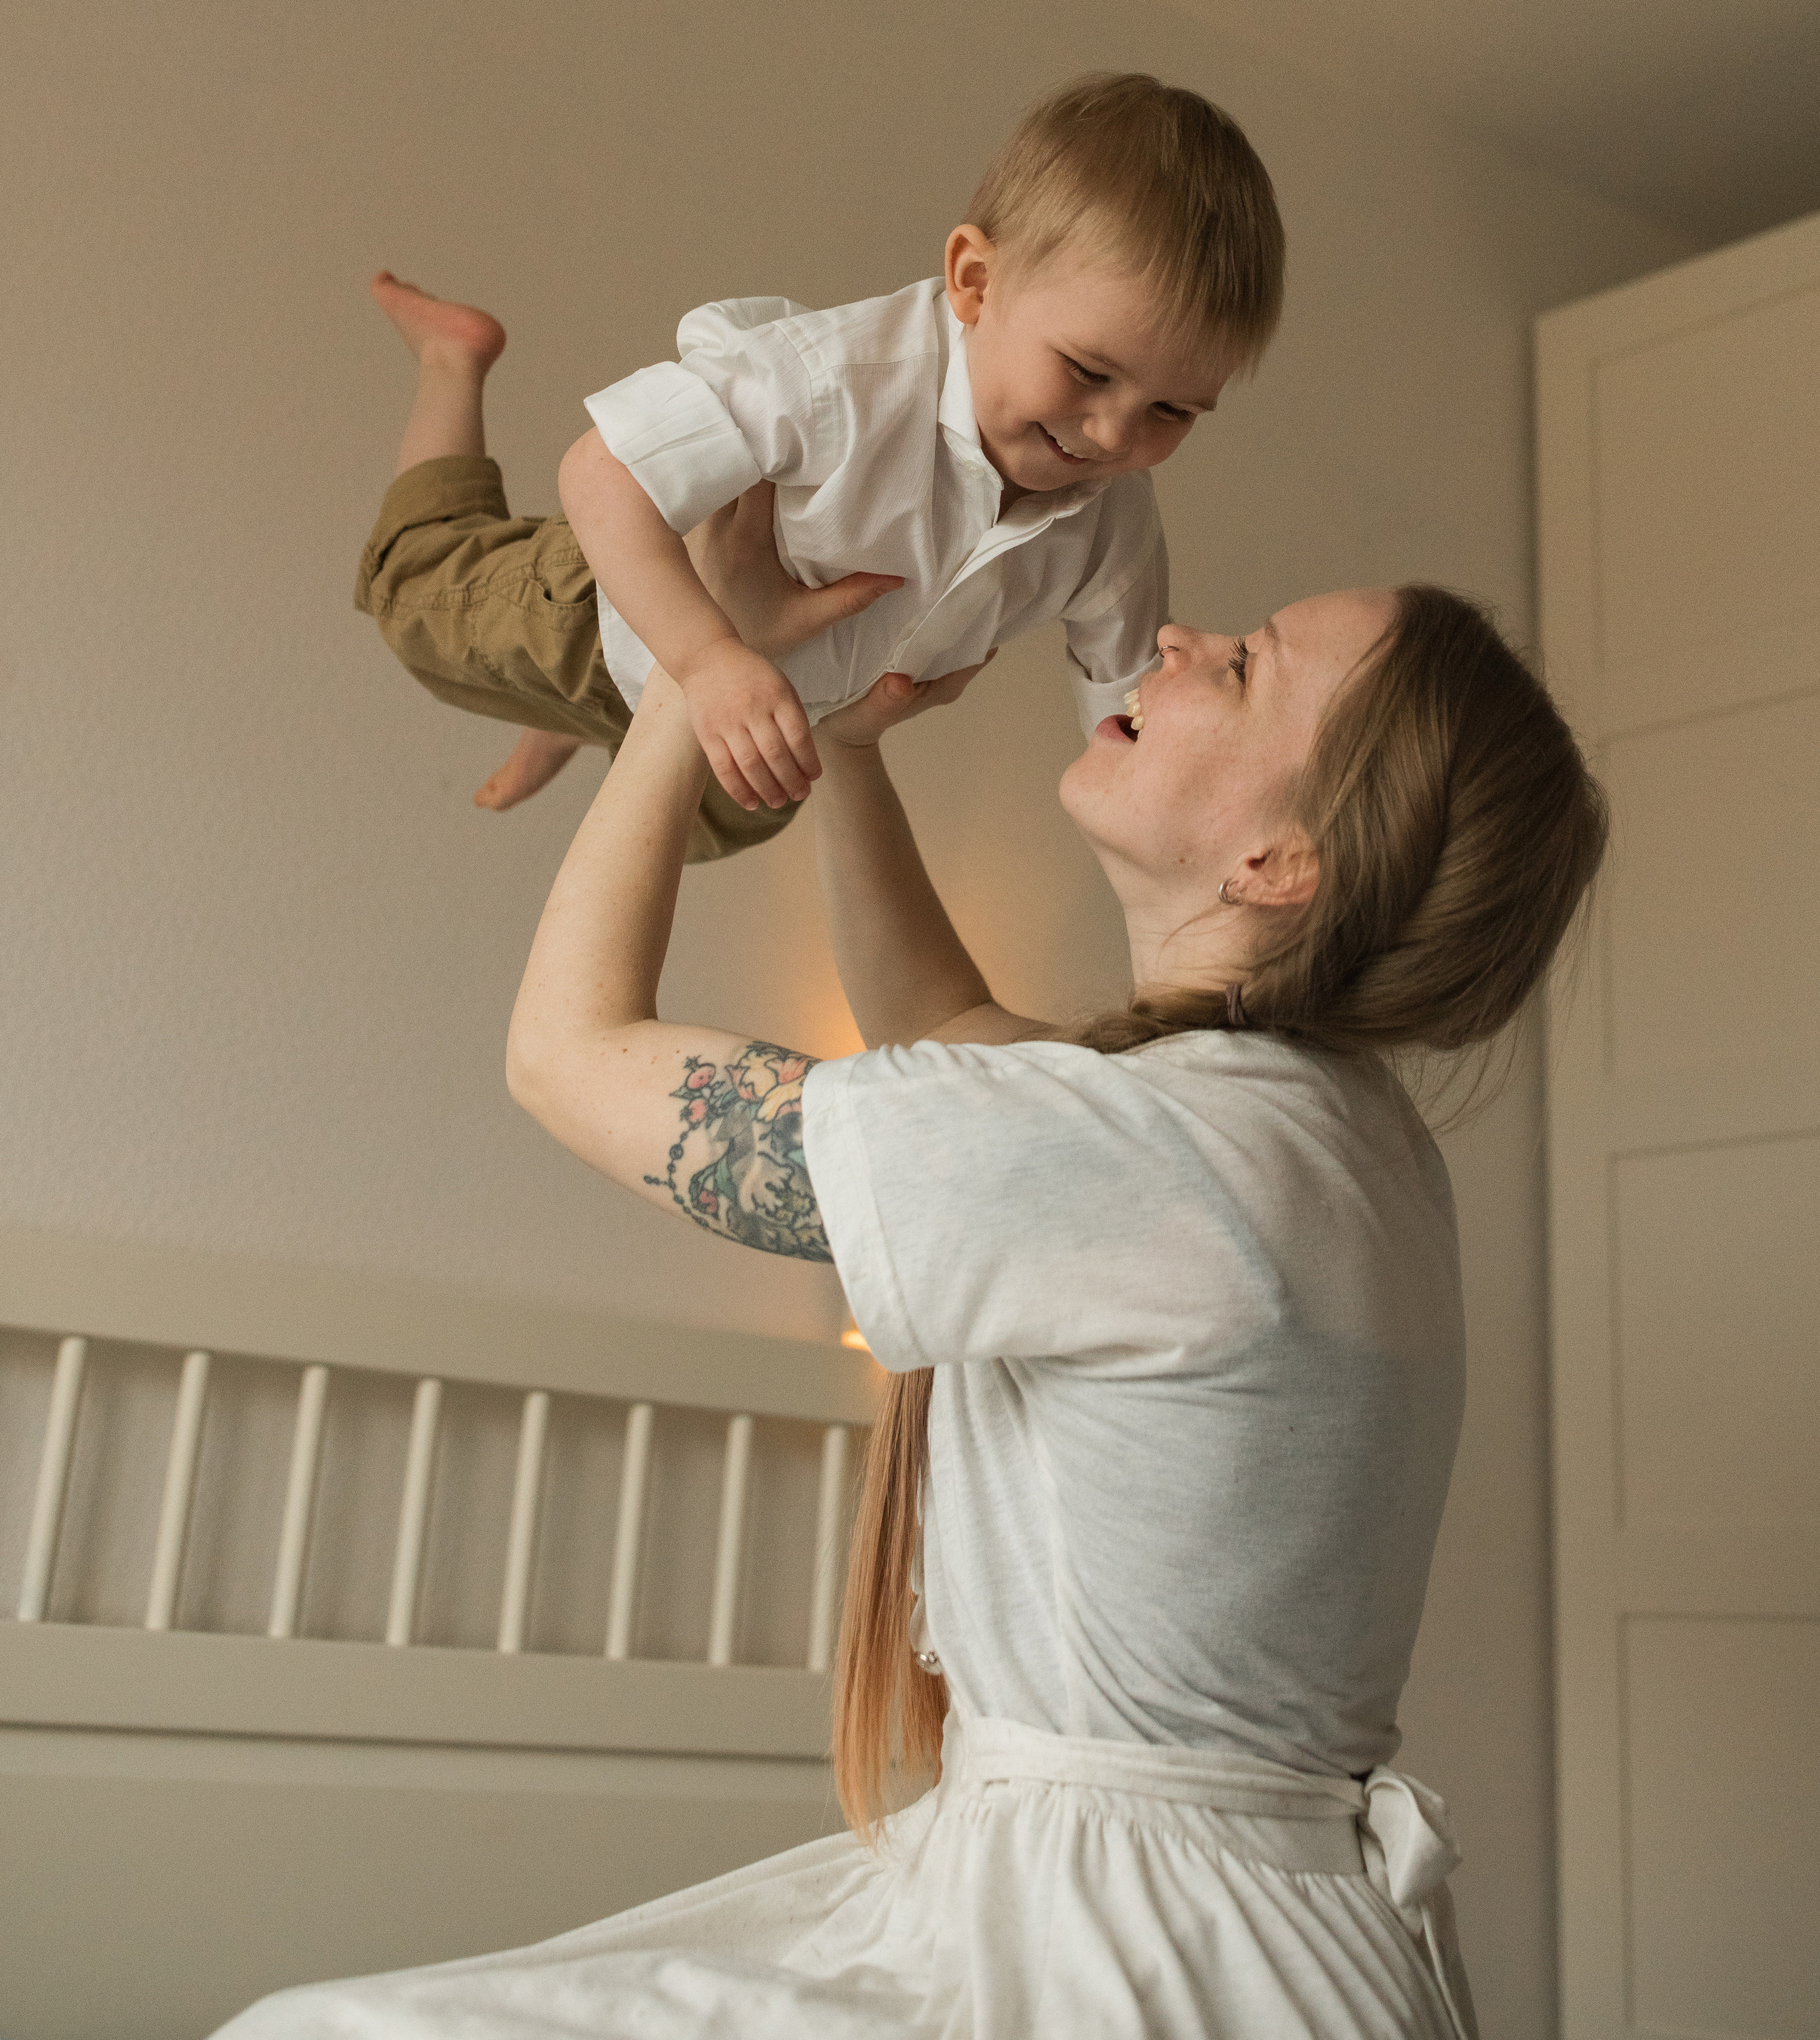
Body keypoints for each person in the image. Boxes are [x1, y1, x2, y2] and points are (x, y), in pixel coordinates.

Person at [221, 502, 1607, 2038]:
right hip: (1249, 1934)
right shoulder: (1313, 1133)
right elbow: (942, 1032)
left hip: (1130, 1953)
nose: (1173, 637)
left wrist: (700, 667)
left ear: (1283, 857)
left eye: (1244, 662)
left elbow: (568, 1055)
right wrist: (848, 747)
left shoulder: (1165, 1153)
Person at [357, 71, 1282, 836]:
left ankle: (567, 726)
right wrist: (709, 657)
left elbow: (1128, 713)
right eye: (1086, 371)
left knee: (712, 832)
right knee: (411, 598)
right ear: (975, 282)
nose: (1116, 436)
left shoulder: (1114, 527)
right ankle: (454, 358)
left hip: (775, 714)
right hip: (615, 607)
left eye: (1171, 410)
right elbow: (602, 472)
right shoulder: (837, 379)